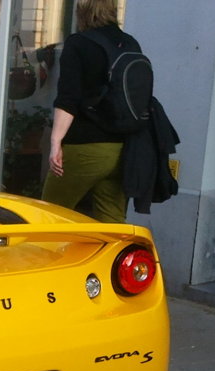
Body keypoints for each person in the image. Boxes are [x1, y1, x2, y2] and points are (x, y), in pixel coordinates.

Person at [42, 0, 139, 222]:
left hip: (84, 147)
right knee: (112, 222)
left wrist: (56, 142)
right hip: (124, 148)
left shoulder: (78, 43)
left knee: (50, 214)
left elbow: (68, 99)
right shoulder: (130, 43)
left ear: (82, 10)